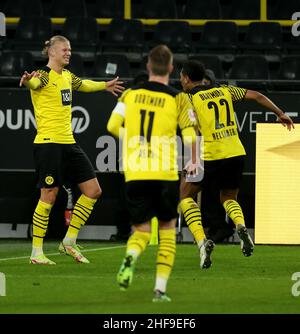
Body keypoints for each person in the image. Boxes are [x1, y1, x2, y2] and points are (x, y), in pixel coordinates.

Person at [19, 35, 124, 265]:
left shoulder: (66, 76)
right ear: (52, 52)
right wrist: (28, 81)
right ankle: (36, 252)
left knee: (93, 190)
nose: (69, 53)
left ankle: (69, 241)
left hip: (69, 142)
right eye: (65, 49)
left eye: (70, 49)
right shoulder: (43, 76)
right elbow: (34, 84)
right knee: (49, 195)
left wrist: (104, 85)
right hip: (48, 143)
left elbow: (83, 84)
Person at [179, 60, 294, 266]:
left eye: (181, 78)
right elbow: (258, 96)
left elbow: (193, 132)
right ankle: (240, 225)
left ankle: (201, 242)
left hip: (211, 155)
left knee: (185, 196)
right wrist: (281, 113)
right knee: (229, 197)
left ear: (187, 78)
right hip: (235, 152)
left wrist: (193, 159)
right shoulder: (225, 90)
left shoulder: (189, 99)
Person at [107, 45, 198, 302]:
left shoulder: (131, 94)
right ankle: (159, 290)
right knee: (167, 230)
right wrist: (193, 160)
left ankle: (130, 257)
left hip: (136, 173)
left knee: (142, 231)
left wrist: (134, 141)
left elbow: (112, 125)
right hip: (165, 173)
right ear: (170, 68)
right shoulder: (178, 98)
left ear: (148, 66)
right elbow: (190, 135)